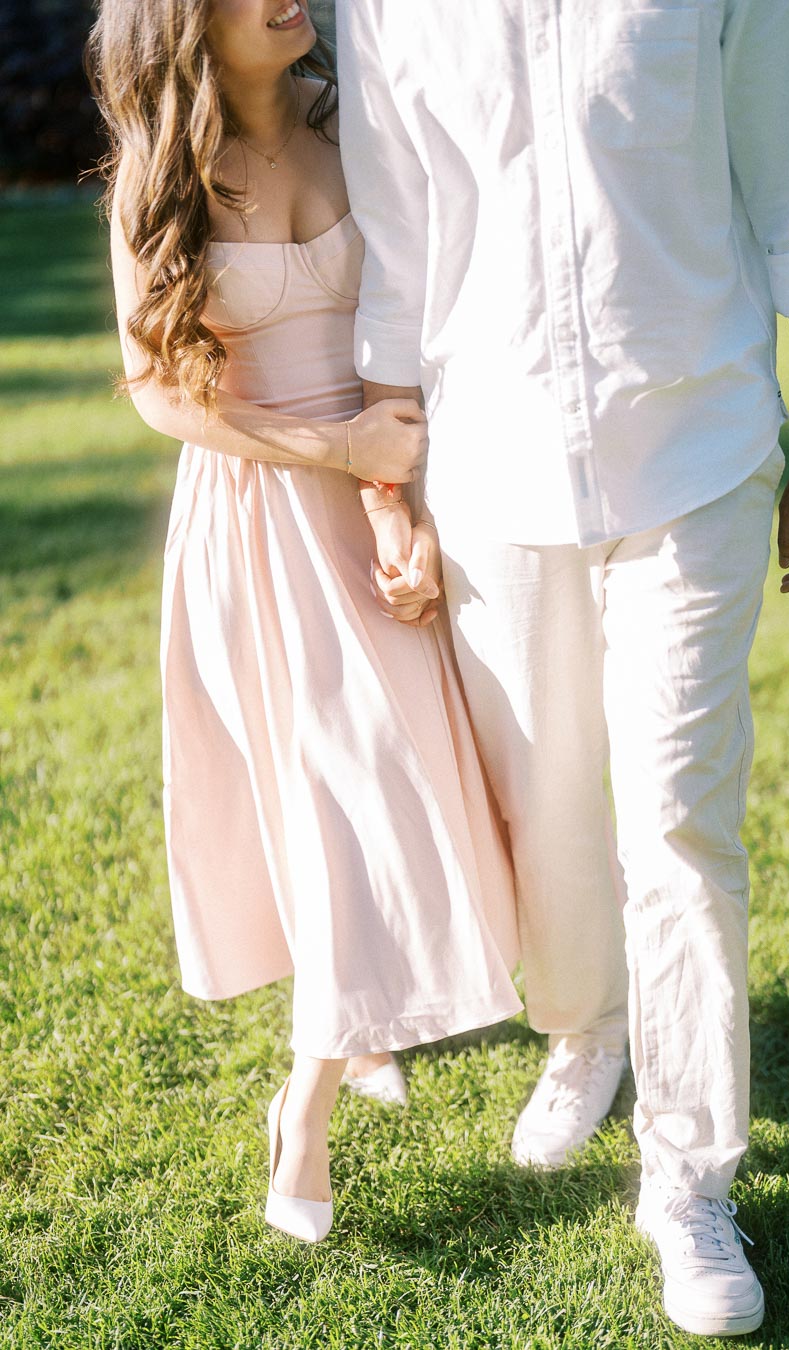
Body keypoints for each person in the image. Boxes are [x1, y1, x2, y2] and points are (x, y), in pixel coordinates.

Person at [335, 0, 789, 1335]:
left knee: (680, 819)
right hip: (495, 464)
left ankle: (689, 1181)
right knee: (551, 808)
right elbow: (398, 240)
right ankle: (585, 1028)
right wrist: (392, 490)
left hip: (696, 444)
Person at [87, 0, 523, 1245]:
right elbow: (163, 397)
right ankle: (308, 1107)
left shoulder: (359, 127)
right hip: (263, 517)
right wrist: (336, 448)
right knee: (337, 789)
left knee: (411, 778)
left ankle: (364, 1017)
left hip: (390, 492)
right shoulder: (157, 178)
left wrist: (401, 499)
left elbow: (417, 331)